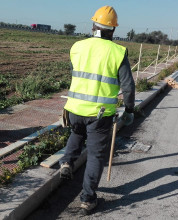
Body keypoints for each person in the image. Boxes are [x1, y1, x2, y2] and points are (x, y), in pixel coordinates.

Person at [59, 5, 135, 215]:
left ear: (94, 25)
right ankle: (87, 200)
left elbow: (76, 74)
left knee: (76, 133)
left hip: (74, 108)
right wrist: (129, 110)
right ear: (112, 30)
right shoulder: (118, 52)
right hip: (100, 114)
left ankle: (66, 162)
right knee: (95, 156)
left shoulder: (77, 46)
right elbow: (128, 86)